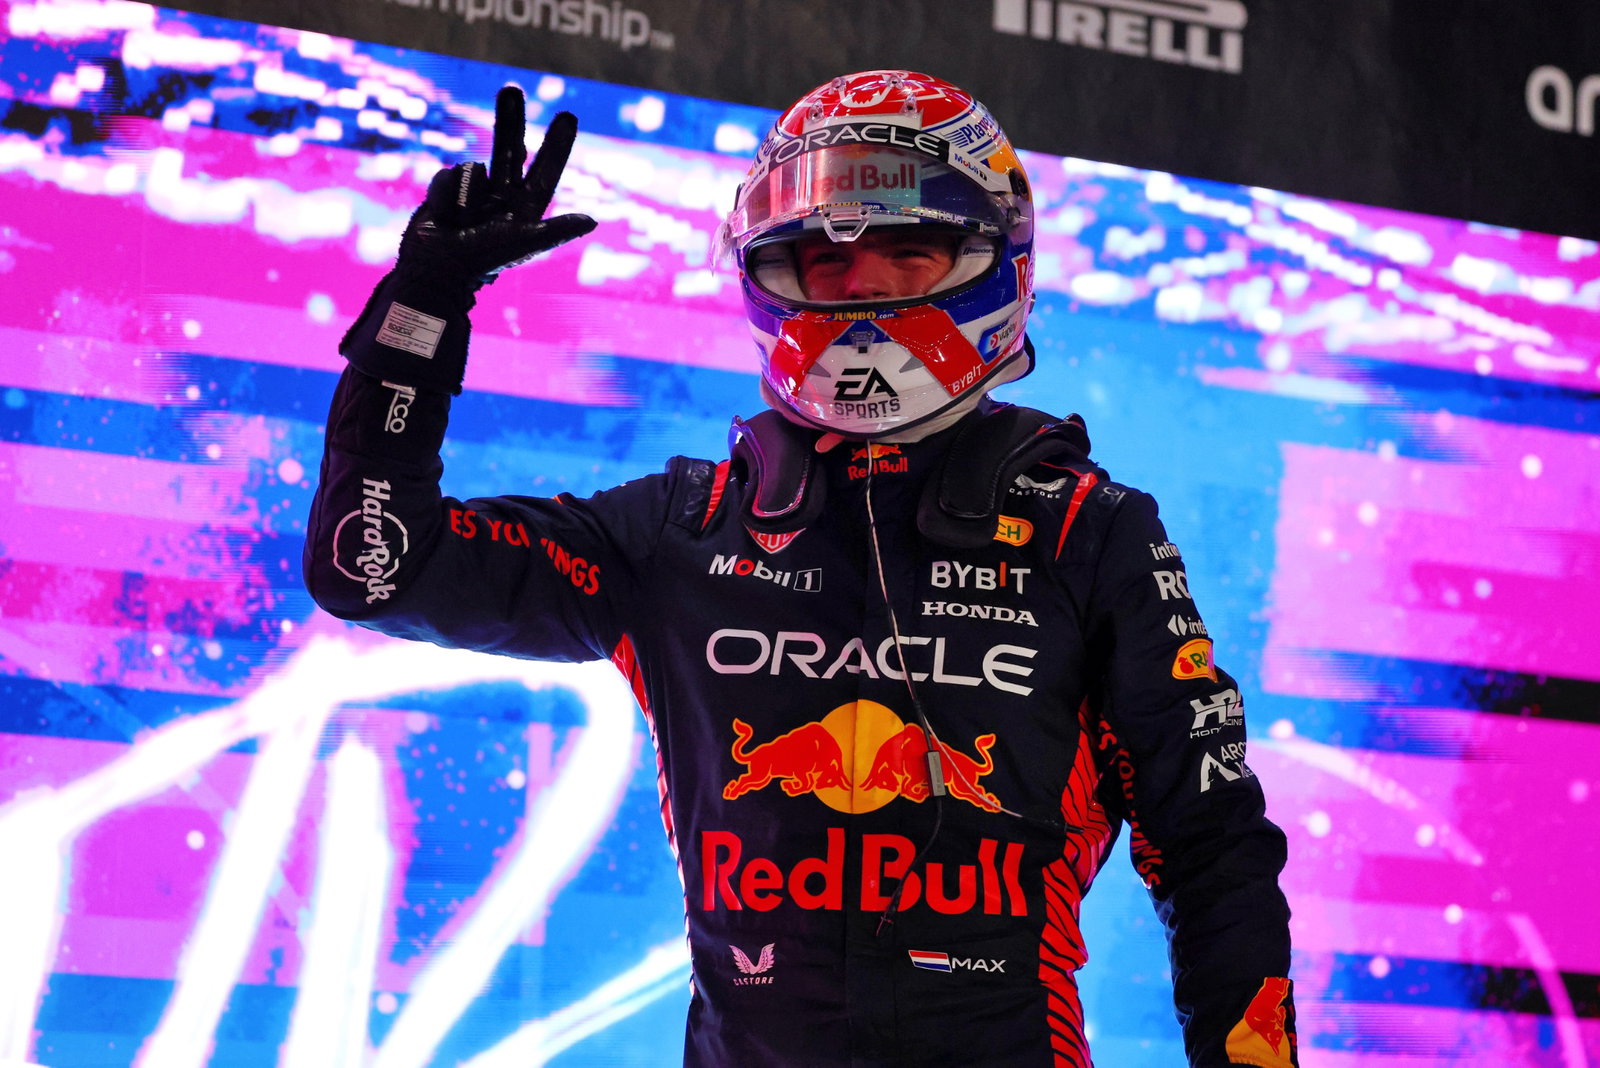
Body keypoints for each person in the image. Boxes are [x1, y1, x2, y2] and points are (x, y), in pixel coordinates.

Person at [305, 70, 1299, 1067]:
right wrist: (422, 308)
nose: (861, 285)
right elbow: (373, 568)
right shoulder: (682, 527)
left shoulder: (1088, 532)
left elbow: (1211, 848)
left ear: (993, 261)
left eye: (907, 250)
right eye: (825, 257)